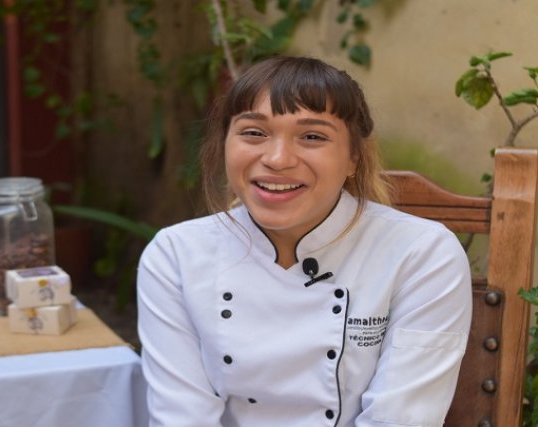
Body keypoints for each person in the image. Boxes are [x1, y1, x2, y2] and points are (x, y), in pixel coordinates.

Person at [136, 55, 471, 426]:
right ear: (225, 144)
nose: (277, 159)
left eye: (312, 136)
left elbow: (399, 420)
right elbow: (182, 419)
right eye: (253, 133)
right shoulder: (175, 256)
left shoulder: (421, 254)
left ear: (353, 159)